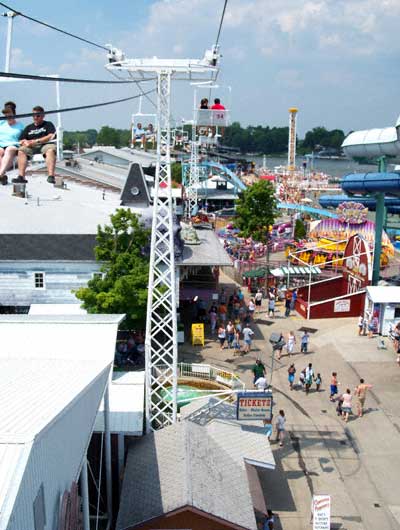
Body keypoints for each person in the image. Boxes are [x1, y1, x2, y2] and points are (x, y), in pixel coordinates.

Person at [15, 106, 56, 184]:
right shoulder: (28, 127)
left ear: (43, 116)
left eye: (38, 115)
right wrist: (26, 143)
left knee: (51, 150)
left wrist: (37, 141)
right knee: (21, 151)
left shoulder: (48, 124)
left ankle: (51, 176)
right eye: (33, 115)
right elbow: (21, 139)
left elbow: (51, 135)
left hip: (45, 144)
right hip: (31, 147)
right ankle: (21, 176)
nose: (35, 117)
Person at [0, 102, 24, 185]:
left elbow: (24, 137)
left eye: (10, 115)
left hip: (13, 145)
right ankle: (2, 175)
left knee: (9, 150)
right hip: (1, 145)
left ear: (14, 114)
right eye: (6, 115)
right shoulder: (1, 123)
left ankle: (1, 173)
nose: (8, 117)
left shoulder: (20, 125)